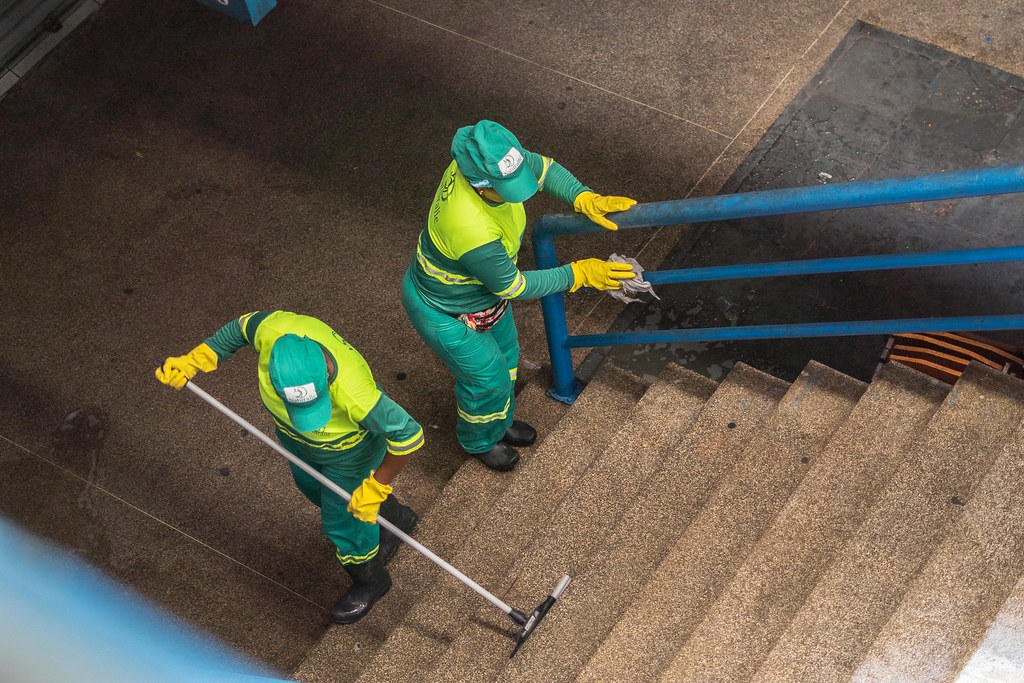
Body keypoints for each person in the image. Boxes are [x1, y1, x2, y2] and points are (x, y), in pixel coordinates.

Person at [155, 310, 422, 624]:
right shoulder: (272, 330)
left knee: (343, 522)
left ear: (325, 368)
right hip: (297, 442)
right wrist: (195, 360)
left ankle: (371, 581)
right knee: (313, 491)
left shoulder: (357, 393)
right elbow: (237, 330)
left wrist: (377, 485)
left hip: (351, 456)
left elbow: (409, 434)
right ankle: (399, 519)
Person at [402, 120, 637, 472]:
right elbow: (513, 287)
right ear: (481, 187)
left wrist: (581, 195)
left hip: (479, 298)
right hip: (444, 312)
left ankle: (498, 420)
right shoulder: (467, 225)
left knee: (508, 355)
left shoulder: (485, 157)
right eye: (508, 188)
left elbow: (543, 169)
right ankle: (479, 440)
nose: (522, 192)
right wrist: (580, 274)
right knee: (487, 379)